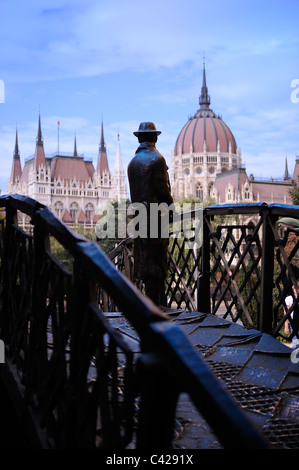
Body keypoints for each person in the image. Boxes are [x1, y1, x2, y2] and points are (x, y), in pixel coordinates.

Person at [127, 122, 174, 306]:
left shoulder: (133, 163)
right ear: (155, 137)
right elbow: (163, 192)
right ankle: (157, 308)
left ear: (139, 138)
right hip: (156, 218)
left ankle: (150, 305)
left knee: (145, 263)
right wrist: (172, 211)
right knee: (157, 264)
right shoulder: (157, 159)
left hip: (139, 218)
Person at [284, 285, 299, 349]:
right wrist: (286, 326)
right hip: (293, 323)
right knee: (296, 342)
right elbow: (286, 314)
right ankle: (294, 358)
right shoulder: (289, 299)